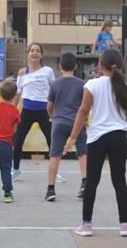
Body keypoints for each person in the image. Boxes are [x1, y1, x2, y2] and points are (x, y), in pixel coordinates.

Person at [63, 50, 127, 237]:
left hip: (97, 138)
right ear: (119, 66)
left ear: (100, 66)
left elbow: (83, 112)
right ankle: (124, 224)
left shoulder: (92, 84)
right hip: (118, 136)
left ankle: (86, 224)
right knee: (119, 180)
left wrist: (72, 137)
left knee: (92, 181)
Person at [12, 43, 59, 182]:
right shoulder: (22, 72)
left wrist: (55, 108)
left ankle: (55, 172)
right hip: (27, 111)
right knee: (18, 140)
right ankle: (15, 170)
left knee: (52, 141)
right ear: (28, 54)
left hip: (44, 111)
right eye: (32, 50)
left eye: (38, 51)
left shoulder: (48, 71)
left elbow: (54, 89)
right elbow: (18, 92)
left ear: (41, 55)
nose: (34, 53)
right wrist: (12, 108)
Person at [45, 52, 87, 202]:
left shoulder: (55, 84)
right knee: (82, 154)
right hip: (77, 122)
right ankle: (84, 185)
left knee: (54, 156)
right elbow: (85, 107)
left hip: (59, 122)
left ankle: (50, 189)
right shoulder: (82, 84)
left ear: (59, 67)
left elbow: (49, 106)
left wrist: (52, 117)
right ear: (75, 66)